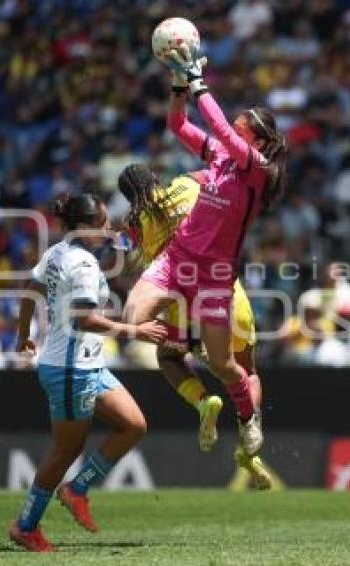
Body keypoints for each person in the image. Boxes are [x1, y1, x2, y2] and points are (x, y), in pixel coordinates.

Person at [122, 45, 288, 457]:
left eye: (241, 127)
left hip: (215, 275)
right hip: (177, 259)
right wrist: (180, 85)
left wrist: (199, 84)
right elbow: (177, 124)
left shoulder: (257, 169)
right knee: (131, 316)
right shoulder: (220, 158)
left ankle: (247, 418)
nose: (230, 129)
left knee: (222, 365)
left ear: (261, 142)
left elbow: (222, 133)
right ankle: (188, 381)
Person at [8, 194, 167, 553]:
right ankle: (25, 526)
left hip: (87, 364)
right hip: (69, 369)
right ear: (86, 227)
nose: (108, 228)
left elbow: (29, 291)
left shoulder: (58, 253)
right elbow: (84, 319)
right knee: (66, 450)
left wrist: (22, 334)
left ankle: (77, 489)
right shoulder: (81, 264)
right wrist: (136, 332)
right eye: (104, 223)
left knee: (134, 425)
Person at [118, 163, 272, 489]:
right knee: (246, 371)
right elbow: (221, 173)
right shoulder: (188, 184)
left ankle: (204, 402)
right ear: (156, 177)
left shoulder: (134, 221)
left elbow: (135, 258)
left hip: (180, 303)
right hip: (225, 294)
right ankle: (249, 429)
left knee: (170, 358)